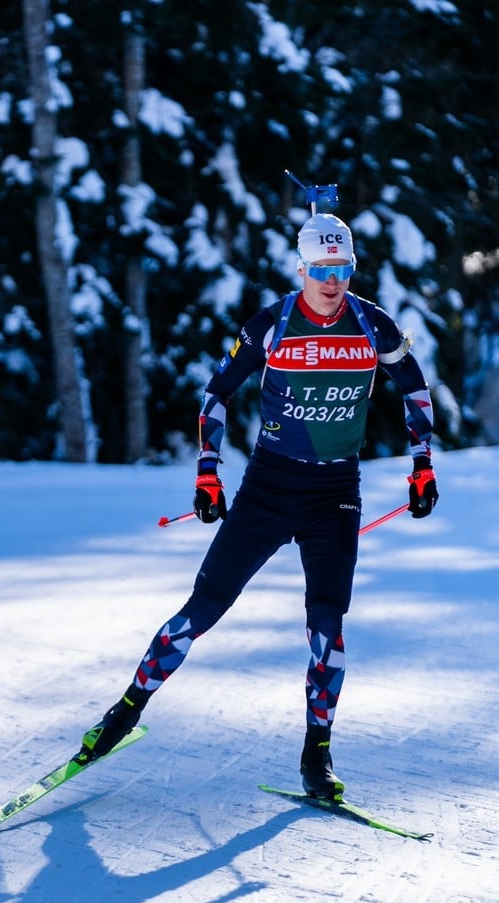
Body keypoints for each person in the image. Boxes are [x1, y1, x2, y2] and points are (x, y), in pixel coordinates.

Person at [74, 212, 439, 799]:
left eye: (342, 267)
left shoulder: (373, 324)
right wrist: (208, 474)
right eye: (321, 268)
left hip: (335, 493)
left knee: (327, 624)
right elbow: (216, 395)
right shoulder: (271, 325)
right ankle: (124, 712)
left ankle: (316, 755)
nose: (332, 280)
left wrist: (422, 464)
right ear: (301, 269)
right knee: (204, 607)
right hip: (269, 488)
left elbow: (414, 389)